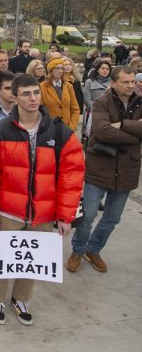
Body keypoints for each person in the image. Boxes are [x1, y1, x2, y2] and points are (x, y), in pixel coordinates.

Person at [0, 74, 84, 326]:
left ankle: (21, 299)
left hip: (44, 213)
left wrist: (66, 216)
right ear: (14, 97)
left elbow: (72, 177)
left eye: (36, 92)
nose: (33, 98)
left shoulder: (60, 132)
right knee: (4, 258)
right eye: (26, 93)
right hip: (9, 211)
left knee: (32, 261)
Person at [67, 66, 141, 274]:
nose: (130, 85)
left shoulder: (140, 102)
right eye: (125, 82)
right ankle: (78, 250)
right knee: (88, 215)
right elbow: (102, 132)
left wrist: (121, 124)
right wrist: (134, 132)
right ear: (113, 83)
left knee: (112, 218)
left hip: (127, 169)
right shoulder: (101, 103)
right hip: (99, 168)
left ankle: (94, 249)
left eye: (132, 81)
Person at [40, 57, 80, 131]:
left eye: (62, 68)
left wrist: (71, 128)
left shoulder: (68, 86)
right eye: (57, 68)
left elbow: (75, 109)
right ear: (51, 70)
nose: (60, 71)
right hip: (49, 129)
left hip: (67, 128)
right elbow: (40, 111)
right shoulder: (42, 87)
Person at [81, 59, 112, 140]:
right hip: (92, 112)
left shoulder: (113, 83)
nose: (105, 70)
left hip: (108, 114)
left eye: (107, 69)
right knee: (91, 136)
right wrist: (97, 110)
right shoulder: (89, 82)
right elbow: (87, 100)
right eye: (103, 68)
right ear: (98, 70)